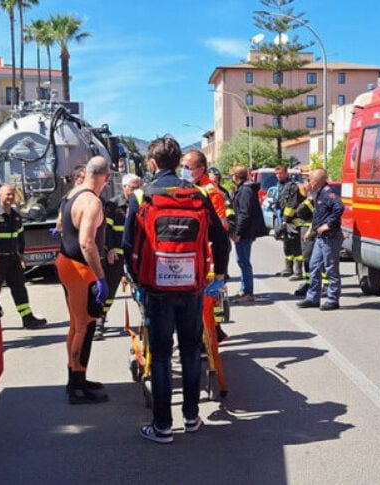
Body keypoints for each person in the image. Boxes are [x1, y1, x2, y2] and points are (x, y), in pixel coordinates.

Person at [124, 136, 230, 444]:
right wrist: (218, 276)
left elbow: (128, 244)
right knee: (190, 352)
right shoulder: (197, 193)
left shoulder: (142, 195)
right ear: (178, 163)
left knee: (159, 356)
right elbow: (221, 239)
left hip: (156, 290)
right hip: (193, 288)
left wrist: (139, 280)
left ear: (153, 163)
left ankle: (162, 426)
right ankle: (192, 417)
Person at [56, 156, 113, 404]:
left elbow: (61, 226)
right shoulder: (92, 202)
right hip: (80, 269)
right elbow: (87, 243)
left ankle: (75, 375)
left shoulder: (72, 195)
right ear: (107, 178)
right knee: (86, 325)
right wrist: (100, 277)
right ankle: (78, 386)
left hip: (65, 263)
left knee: (75, 324)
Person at [182, 150, 232, 342]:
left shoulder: (210, 192)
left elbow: (221, 226)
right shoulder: (194, 187)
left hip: (210, 253)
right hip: (198, 253)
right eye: (182, 167)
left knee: (208, 302)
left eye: (188, 167)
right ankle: (212, 334)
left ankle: (211, 337)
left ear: (201, 169)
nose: (184, 171)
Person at [93, 173, 141, 341]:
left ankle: (148, 322)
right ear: (124, 187)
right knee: (108, 291)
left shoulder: (142, 203)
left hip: (136, 256)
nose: (136, 190)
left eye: (138, 187)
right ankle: (99, 322)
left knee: (142, 290)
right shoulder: (113, 206)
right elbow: (105, 230)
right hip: (117, 256)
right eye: (132, 187)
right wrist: (110, 248)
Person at [0, 184, 47, 329]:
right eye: (7, 194)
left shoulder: (16, 216)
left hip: (13, 259)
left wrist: (21, 255)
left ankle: (28, 319)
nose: (10, 197)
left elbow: (20, 237)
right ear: (0, 195)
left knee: (19, 288)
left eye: (12, 194)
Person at [296, 169, 344, 311]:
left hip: (330, 237)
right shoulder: (317, 193)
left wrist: (328, 225)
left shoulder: (328, 193)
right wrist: (311, 230)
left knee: (331, 269)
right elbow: (318, 214)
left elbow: (339, 207)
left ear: (318, 180)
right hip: (319, 238)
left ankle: (333, 300)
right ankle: (312, 298)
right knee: (314, 266)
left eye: (310, 179)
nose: (308, 182)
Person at [229, 165, 268, 303]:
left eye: (232, 175)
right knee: (242, 261)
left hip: (244, 233)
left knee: (244, 262)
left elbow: (244, 214)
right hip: (245, 232)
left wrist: (238, 232)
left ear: (236, 176)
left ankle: (248, 292)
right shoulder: (244, 189)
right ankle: (244, 288)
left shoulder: (245, 190)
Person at [292, 181, 328, 296]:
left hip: (311, 231)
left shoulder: (313, 198)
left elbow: (300, 210)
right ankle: (309, 283)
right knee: (307, 259)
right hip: (308, 230)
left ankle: (326, 285)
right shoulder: (314, 197)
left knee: (315, 259)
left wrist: (307, 199)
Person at [275, 164, 304, 279]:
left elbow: (292, 205)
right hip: (284, 220)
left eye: (280, 173)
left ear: (286, 173)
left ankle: (298, 272)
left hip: (293, 222)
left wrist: (285, 221)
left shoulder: (292, 187)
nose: (278, 176)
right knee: (286, 245)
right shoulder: (280, 186)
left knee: (295, 246)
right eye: (276, 174)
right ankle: (288, 268)